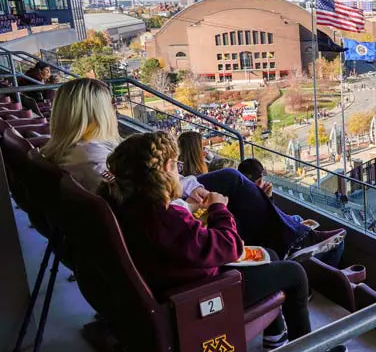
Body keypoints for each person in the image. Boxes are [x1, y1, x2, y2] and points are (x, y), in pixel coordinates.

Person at [97, 132, 347, 352]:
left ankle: (275, 336)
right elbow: (229, 246)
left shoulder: (131, 206)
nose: (179, 172)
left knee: (269, 254)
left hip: (177, 281)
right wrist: (219, 208)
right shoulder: (165, 221)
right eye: (176, 166)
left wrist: (191, 208)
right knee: (294, 273)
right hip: (202, 293)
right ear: (164, 170)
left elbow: (182, 235)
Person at [41, 78, 342, 265]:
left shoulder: (71, 150)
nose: (114, 109)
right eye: (108, 105)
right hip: (150, 228)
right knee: (231, 180)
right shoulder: (93, 157)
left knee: (231, 183)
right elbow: (144, 194)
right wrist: (189, 201)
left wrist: (187, 188)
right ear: (93, 112)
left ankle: (288, 228)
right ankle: (293, 239)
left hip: (147, 214)